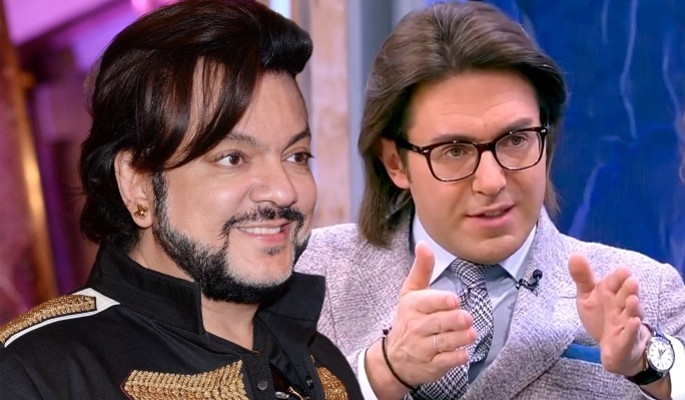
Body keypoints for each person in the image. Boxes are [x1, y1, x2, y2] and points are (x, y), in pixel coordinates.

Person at [296, 2, 685, 399]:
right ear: (396, 162)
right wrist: (380, 372)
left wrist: (646, 366)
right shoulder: (309, 274)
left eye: (515, 140)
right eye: (454, 150)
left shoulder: (644, 292)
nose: (491, 181)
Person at [0, 1, 362, 399]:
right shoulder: (34, 374)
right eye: (232, 158)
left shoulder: (323, 365)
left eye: (297, 156)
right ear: (138, 184)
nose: (283, 191)